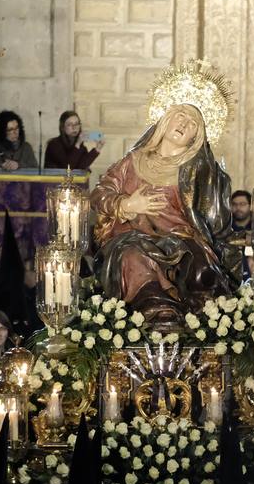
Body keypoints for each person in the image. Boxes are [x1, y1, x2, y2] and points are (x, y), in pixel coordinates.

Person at [90, 102, 233, 324]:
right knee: (132, 257)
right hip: (132, 238)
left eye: (193, 124)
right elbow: (100, 193)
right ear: (166, 121)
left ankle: (198, 322)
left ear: (196, 138)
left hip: (180, 241)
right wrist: (127, 205)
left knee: (201, 272)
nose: (184, 124)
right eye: (180, 116)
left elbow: (215, 219)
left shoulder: (199, 170)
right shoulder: (133, 161)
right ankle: (159, 310)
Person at [0, 109, 38, 184]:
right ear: (2, 132)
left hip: (23, 191)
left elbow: (35, 170)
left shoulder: (26, 147)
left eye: (17, 128)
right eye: (10, 130)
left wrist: (19, 165)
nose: (15, 132)